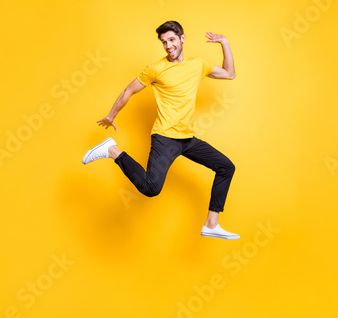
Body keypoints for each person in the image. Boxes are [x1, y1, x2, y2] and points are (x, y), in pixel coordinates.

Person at [82, 20, 239, 240]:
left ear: (182, 39)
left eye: (172, 40)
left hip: (187, 139)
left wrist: (224, 42)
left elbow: (229, 74)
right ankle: (113, 151)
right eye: (164, 42)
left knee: (225, 167)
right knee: (151, 188)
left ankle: (212, 224)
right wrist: (111, 115)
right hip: (165, 138)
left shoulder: (198, 65)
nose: (168, 46)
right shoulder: (156, 69)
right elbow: (129, 90)